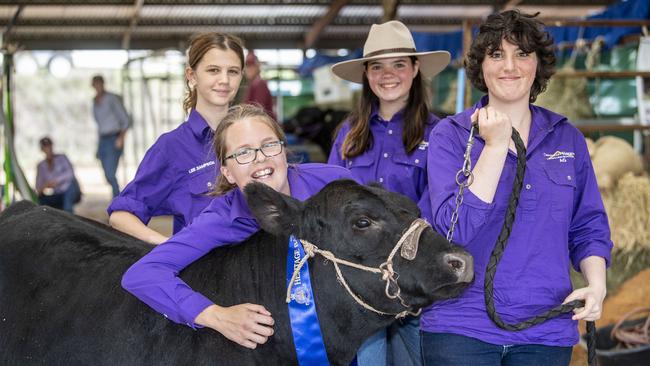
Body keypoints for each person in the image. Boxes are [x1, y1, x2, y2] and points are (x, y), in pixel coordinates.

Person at [421, 10, 613, 365]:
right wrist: (494, 147)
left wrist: (597, 284)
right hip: (460, 326)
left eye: (522, 54)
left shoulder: (567, 138)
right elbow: (453, 229)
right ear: (482, 66)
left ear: (538, 65)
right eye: (497, 54)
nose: (510, 65)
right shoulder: (450, 136)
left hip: (546, 326)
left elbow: (588, 225)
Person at [121, 104, 352, 348]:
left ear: (284, 150)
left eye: (269, 145)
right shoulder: (221, 218)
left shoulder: (335, 183)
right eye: (243, 153)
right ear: (227, 173)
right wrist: (216, 316)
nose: (260, 157)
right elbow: (143, 273)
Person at [328, 20, 450, 366]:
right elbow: (336, 203)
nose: (388, 74)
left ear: (415, 69)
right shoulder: (348, 135)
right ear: (366, 74)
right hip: (359, 284)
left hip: (414, 284)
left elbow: (439, 209)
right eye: (377, 66)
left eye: (399, 64)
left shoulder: (440, 135)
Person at [107, 33, 245, 244]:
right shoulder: (171, 148)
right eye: (213, 70)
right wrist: (170, 247)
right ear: (191, 76)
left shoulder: (254, 136)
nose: (224, 80)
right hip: (205, 272)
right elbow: (121, 216)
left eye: (233, 71)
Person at [91, 75, 130, 198]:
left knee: (110, 173)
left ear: (103, 84)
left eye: (99, 84)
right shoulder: (95, 102)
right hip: (103, 139)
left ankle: (117, 199)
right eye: (95, 84)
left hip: (114, 137)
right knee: (106, 174)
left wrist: (121, 137)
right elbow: (99, 125)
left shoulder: (111, 99)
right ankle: (117, 197)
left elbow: (125, 119)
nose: (97, 87)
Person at [35, 137, 81, 213]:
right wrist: (45, 186)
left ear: (52, 146)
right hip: (58, 193)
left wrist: (56, 181)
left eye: (49, 146)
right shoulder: (41, 166)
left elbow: (70, 174)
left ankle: (69, 215)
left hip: (69, 189)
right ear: (41, 149)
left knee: (68, 203)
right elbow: (38, 187)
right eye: (45, 147)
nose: (47, 149)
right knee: (42, 202)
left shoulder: (62, 158)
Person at [243, 51, 276, 120]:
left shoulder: (259, 84)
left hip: (265, 125)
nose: (249, 69)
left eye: (252, 66)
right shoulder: (253, 83)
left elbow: (258, 112)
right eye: (247, 66)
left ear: (257, 67)